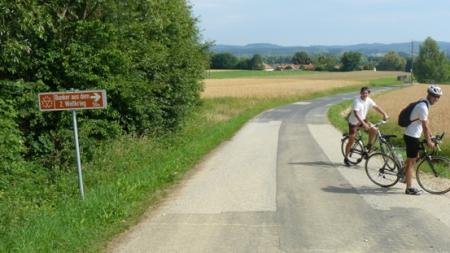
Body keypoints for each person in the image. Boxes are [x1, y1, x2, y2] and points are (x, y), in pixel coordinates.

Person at [403, 85, 442, 195]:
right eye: (434, 96)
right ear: (429, 94)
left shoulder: (424, 103)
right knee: (411, 162)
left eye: (438, 97)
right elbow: (424, 126)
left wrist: (431, 135)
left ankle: (404, 174)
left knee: (416, 157)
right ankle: (409, 188)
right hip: (411, 136)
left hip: (414, 135)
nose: (436, 99)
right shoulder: (423, 107)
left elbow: (426, 122)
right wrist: (429, 141)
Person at [344, 87, 389, 166]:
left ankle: (368, 145)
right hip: (354, 122)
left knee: (374, 130)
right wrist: (364, 124)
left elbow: (376, 107)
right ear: (360, 93)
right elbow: (356, 113)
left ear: (368, 94)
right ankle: (346, 157)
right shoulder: (357, 101)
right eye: (363, 93)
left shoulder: (368, 100)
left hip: (363, 119)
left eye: (366, 93)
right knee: (351, 140)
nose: (365, 95)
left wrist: (384, 113)